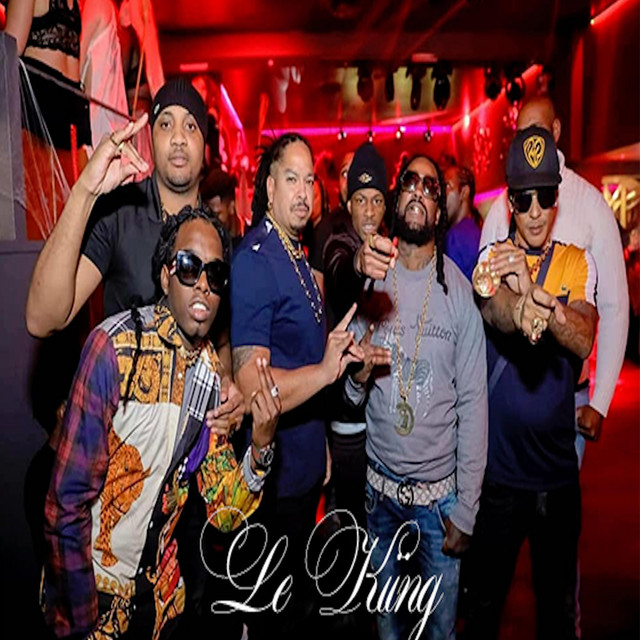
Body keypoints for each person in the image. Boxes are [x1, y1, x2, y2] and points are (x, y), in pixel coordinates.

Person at [42, 207, 281, 639]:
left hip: (161, 608)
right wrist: (83, 621)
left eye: (215, 274)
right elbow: (66, 506)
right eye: (189, 267)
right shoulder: (115, 349)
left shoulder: (209, 374)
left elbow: (225, 513)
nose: (203, 284)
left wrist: (261, 447)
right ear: (166, 275)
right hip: (93, 598)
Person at [345, 153, 488, 640]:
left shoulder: (459, 294)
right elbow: (351, 390)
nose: (420, 192)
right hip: (379, 497)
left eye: (432, 186)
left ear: (440, 208)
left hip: (438, 505)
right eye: (411, 181)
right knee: (387, 629)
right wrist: (358, 378)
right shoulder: (372, 283)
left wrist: (466, 511)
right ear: (396, 195)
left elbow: (474, 406)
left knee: (439, 632)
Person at [464, 126, 598, 640]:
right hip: (500, 480)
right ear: (510, 203)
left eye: (545, 196)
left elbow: (583, 338)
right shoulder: (493, 259)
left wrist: (546, 304)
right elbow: (494, 309)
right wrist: (519, 303)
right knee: (482, 614)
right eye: (524, 199)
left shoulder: (576, 261)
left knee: (558, 620)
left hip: (559, 480)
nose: (536, 211)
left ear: (557, 199)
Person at [231, 133, 364, 638]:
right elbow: (254, 389)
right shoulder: (256, 260)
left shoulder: (297, 255)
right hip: (274, 488)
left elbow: (304, 360)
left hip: (304, 472)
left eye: (310, 180)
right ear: (269, 188)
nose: (304, 192)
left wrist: (322, 443)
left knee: (300, 613)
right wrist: (328, 371)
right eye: (292, 179)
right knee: (274, 620)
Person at [480, 96, 628, 460]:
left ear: (556, 130)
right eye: (522, 134)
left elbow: (613, 306)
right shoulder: (502, 207)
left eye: (545, 198)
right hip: (506, 396)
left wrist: (601, 401)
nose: (534, 212)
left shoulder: (592, 205)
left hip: (568, 395)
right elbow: (485, 298)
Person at [323, 141, 391, 528]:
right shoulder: (338, 242)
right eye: (361, 200)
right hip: (345, 430)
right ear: (348, 204)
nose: (368, 210)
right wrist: (359, 265)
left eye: (376, 200)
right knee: (348, 535)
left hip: (379, 430)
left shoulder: (390, 248)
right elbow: (339, 271)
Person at [444, 165, 482, 281]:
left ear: (464, 192)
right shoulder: (477, 230)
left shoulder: (456, 236)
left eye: (447, 186)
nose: (442, 195)